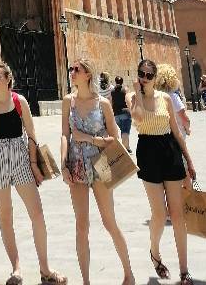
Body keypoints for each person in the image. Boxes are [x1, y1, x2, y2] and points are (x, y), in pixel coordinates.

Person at [0, 60, 67, 285]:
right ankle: (16, 269)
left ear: (8, 79)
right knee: (5, 217)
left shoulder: (20, 101)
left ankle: (45, 269)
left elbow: (31, 134)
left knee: (36, 213)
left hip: (20, 156)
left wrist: (34, 164)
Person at [61, 59, 135, 285]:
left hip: (101, 163)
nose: (72, 73)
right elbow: (64, 134)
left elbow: (115, 138)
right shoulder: (68, 101)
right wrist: (63, 162)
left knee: (108, 221)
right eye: (71, 69)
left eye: (77, 70)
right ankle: (85, 281)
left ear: (88, 75)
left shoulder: (102, 103)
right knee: (81, 225)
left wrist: (88, 138)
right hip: (76, 164)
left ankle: (128, 274)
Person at [131, 58, 197, 285]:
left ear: (155, 77)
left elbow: (177, 133)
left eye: (150, 75)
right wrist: (138, 92)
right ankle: (155, 252)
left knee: (177, 214)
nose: (145, 78)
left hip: (170, 151)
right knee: (159, 214)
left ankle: (184, 269)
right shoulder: (133, 98)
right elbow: (138, 118)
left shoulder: (166, 98)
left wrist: (188, 160)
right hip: (147, 153)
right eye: (142, 74)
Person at [155, 64, 191, 137]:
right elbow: (184, 119)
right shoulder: (173, 97)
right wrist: (187, 129)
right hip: (176, 136)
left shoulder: (154, 97)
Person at [110, 76, 132, 151]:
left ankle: (127, 147)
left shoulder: (112, 91)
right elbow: (129, 100)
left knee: (123, 131)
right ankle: (125, 149)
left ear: (115, 81)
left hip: (116, 114)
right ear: (122, 82)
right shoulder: (125, 90)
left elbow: (111, 102)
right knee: (125, 132)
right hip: (125, 113)